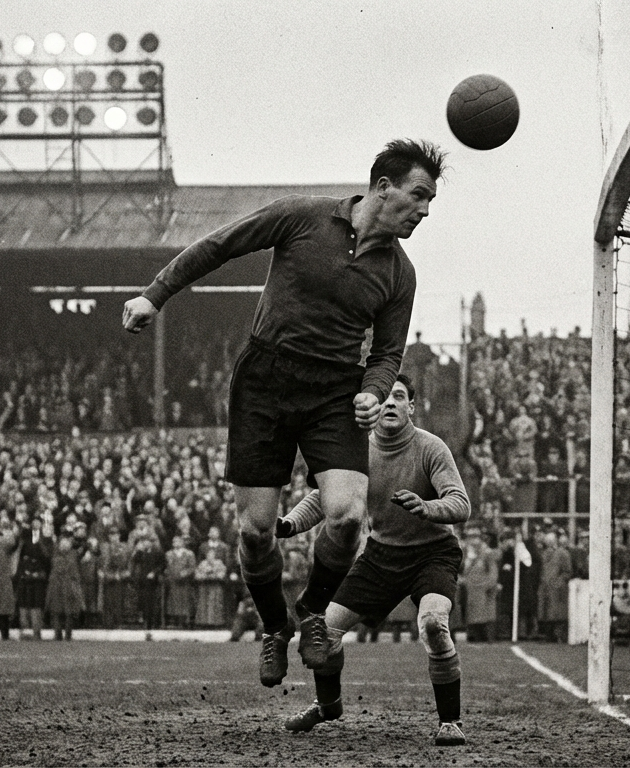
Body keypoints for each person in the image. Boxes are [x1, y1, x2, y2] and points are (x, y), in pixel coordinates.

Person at [123, 139, 446, 686]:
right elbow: (219, 245)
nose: (425, 210)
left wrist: (373, 389)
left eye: (431, 201)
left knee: (346, 517)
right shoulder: (302, 216)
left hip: (334, 394)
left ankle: (313, 613)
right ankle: (274, 627)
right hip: (265, 383)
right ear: (383, 187)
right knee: (254, 533)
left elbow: (389, 351)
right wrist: (155, 295)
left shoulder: (400, 274)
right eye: (419, 195)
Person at [276, 374, 472, 746]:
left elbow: (461, 504)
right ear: (373, 407)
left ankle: (450, 721)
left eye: (399, 397)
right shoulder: (357, 450)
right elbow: (324, 500)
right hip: (381, 555)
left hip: (433, 553)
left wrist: (428, 507)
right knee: (323, 633)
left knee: (432, 623)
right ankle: (327, 705)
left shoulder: (431, 448)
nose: (391, 403)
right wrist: (289, 523)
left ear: (411, 406)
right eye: (385, 397)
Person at [460, 529, 500, 642]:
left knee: (486, 614)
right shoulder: (467, 555)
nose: (472, 542)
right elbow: (463, 571)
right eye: (470, 538)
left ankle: (488, 637)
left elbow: (493, 572)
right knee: (473, 614)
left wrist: (488, 585)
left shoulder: (487, 554)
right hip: (471, 590)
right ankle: (474, 636)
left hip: (483, 589)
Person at [46, 534, 85, 640]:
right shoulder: (55, 553)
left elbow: (84, 546)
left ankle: (67, 635)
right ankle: (58, 634)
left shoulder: (73, 554)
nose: (64, 545)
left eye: (66, 543)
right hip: (57, 585)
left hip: (68, 586)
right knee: (56, 611)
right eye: (62, 543)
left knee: (69, 612)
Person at [536, 531, 572, 643]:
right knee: (545, 611)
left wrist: (559, 581)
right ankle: (548, 635)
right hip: (545, 586)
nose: (549, 543)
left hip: (557, 587)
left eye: (551, 540)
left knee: (557, 612)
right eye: (547, 541)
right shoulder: (544, 553)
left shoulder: (563, 553)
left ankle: (559, 636)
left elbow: (568, 571)